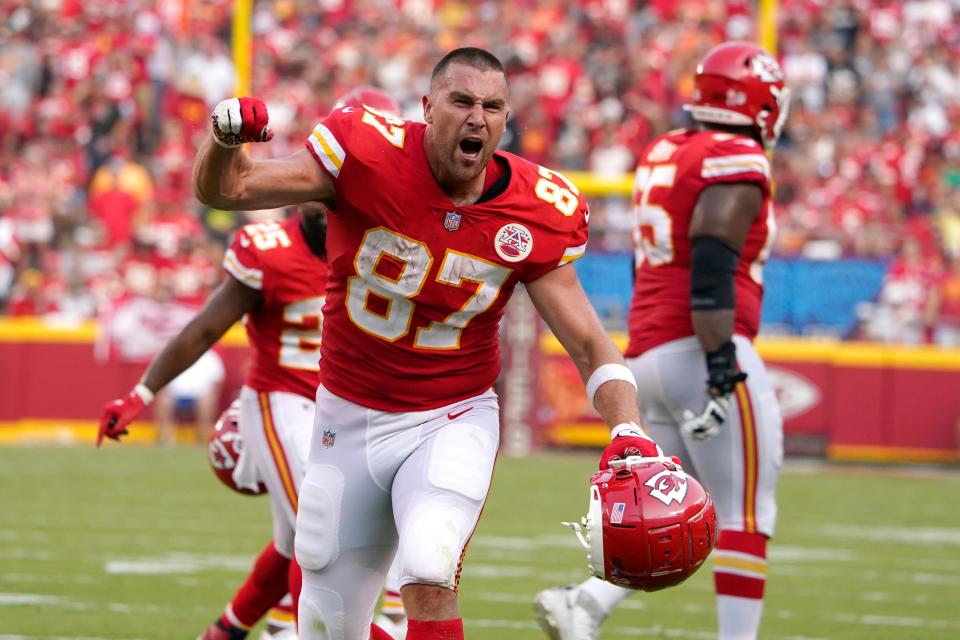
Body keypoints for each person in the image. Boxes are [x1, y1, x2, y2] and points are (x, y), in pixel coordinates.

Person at [191, 47, 663, 640]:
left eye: (492, 107)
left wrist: (629, 428)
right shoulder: (364, 151)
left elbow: (591, 344)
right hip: (347, 416)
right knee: (324, 624)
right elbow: (228, 189)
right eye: (462, 101)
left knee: (429, 570)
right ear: (428, 107)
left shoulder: (538, 209)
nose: (477, 118)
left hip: (453, 413)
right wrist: (224, 138)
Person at [534, 41, 789, 640]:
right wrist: (722, 358)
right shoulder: (736, 156)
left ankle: (585, 605)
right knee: (747, 513)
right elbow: (710, 257)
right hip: (702, 351)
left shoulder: (665, 150)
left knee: (670, 507)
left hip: (647, 356)